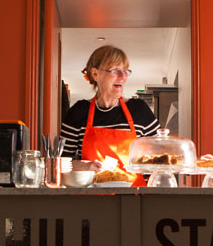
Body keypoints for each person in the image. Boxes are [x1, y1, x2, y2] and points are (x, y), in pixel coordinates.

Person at [59, 45, 159, 186]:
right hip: (92, 199)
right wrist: (88, 166)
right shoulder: (78, 112)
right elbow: (60, 164)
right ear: (95, 74)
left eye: (125, 71)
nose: (123, 77)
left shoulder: (139, 110)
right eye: (115, 71)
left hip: (135, 199)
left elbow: (161, 160)